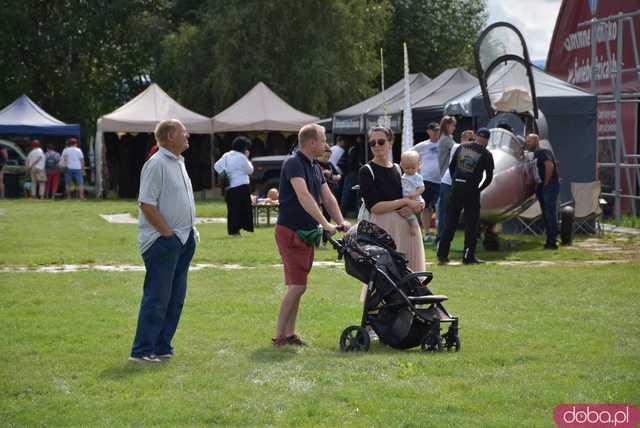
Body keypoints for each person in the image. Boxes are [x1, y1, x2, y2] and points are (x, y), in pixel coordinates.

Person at [273, 123, 350, 347]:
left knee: (298, 285)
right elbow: (304, 196)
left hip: (305, 233)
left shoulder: (315, 165)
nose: (327, 144)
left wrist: (340, 221)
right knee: (297, 286)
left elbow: (327, 198)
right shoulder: (293, 163)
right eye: (324, 139)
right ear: (312, 142)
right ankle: (280, 335)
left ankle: (289, 333)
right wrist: (326, 223)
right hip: (290, 231)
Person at [130, 119, 197, 363]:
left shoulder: (179, 161)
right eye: (183, 131)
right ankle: (141, 351)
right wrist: (167, 234)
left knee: (175, 298)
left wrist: (189, 234)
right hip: (164, 241)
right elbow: (146, 204)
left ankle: (161, 346)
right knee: (157, 298)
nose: (187, 135)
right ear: (170, 136)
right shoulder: (156, 163)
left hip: (184, 238)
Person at [359, 126, 425, 272]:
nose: (377, 145)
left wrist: (417, 205)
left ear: (390, 143)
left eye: (381, 141)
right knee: (384, 277)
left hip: (407, 229)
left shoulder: (397, 169)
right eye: (372, 143)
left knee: (410, 275)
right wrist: (405, 202)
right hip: (382, 231)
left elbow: (410, 194)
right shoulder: (366, 170)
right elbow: (374, 207)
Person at [437, 128, 494, 265]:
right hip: (471, 190)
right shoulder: (486, 154)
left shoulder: (462, 147)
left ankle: (442, 255)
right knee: (471, 225)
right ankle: (468, 257)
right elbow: (489, 177)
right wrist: (479, 189)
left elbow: (451, 168)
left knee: (450, 222)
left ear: (475, 136)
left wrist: (456, 182)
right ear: (487, 140)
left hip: (456, 188)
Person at [214, 136, 254, 236]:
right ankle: (241, 228)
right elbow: (250, 170)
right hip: (242, 185)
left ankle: (234, 231)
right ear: (243, 148)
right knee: (243, 209)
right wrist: (247, 157)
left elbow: (216, 166)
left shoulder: (227, 155)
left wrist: (225, 174)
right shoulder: (242, 157)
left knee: (233, 211)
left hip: (230, 187)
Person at [527, 133, 559, 249]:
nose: (528, 143)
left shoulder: (543, 152)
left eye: (529, 141)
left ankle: (552, 242)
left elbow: (549, 166)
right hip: (542, 186)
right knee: (546, 213)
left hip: (549, 186)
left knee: (550, 213)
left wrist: (546, 182)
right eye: (527, 141)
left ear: (536, 141)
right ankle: (550, 240)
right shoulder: (534, 154)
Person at [412, 122, 441, 242]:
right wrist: (416, 168)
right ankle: (427, 233)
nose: (436, 132)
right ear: (428, 131)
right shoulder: (422, 146)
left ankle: (440, 234)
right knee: (425, 207)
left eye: (438, 130)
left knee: (440, 207)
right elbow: (409, 155)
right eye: (434, 130)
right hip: (426, 180)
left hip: (442, 181)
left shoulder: (445, 144)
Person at [435, 116, 457, 245]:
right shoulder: (445, 140)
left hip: (448, 179)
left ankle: (443, 238)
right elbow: (458, 149)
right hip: (446, 179)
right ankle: (440, 238)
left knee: (446, 211)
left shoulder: (448, 139)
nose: (454, 128)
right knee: (444, 212)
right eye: (452, 125)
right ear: (446, 126)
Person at [399, 150, 425, 237]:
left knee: (412, 212)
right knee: (404, 212)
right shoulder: (403, 177)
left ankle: (414, 225)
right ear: (401, 165)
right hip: (406, 199)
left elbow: (422, 188)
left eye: (413, 168)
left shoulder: (417, 177)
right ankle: (410, 225)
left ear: (418, 165)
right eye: (407, 168)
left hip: (416, 198)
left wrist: (415, 194)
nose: (410, 170)